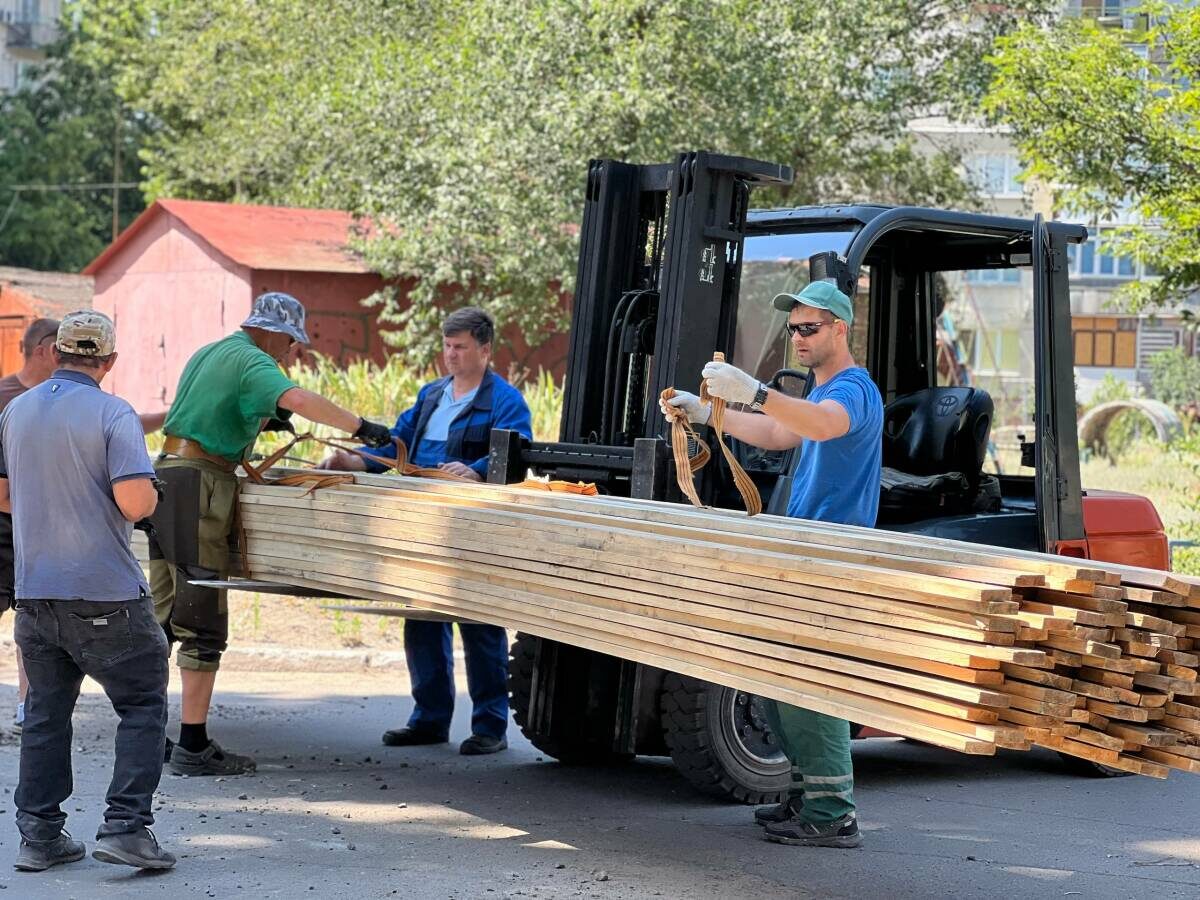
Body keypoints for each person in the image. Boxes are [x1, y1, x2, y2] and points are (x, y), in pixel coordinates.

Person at [662, 280, 882, 849]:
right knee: (780, 683)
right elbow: (783, 431)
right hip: (802, 550)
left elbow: (824, 424)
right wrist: (711, 414)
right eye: (793, 329)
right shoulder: (817, 388)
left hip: (833, 558)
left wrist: (756, 391)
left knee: (812, 686)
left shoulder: (853, 390)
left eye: (810, 328)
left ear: (840, 328)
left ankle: (834, 813)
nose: (799, 337)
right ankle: (808, 798)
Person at [150, 292, 393, 776]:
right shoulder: (255, 359)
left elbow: (215, 407)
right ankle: (193, 747)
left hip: (167, 479)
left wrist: (264, 421)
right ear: (275, 333)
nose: (290, 353)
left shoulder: (211, 351)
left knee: (161, 616)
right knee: (201, 617)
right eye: (290, 343)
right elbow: (297, 398)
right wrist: (361, 426)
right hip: (202, 485)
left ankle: (146, 735)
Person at [1, 311, 176, 871]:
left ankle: (40, 837)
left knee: (46, 712)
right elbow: (133, 503)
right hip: (106, 594)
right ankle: (126, 828)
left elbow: (5, 497)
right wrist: (151, 494)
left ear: (54, 353)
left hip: (35, 592)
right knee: (142, 703)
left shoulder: (16, 411)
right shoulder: (113, 412)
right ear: (108, 360)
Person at [317, 306, 532, 755]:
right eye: (447, 347)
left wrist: (474, 470)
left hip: (473, 528)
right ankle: (429, 718)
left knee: (479, 625)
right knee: (420, 621)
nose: (451, 356)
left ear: (485, 349)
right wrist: (352, 460)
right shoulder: (431, 395)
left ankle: (490, 727)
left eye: (461, 347)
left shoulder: (507, 402)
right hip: (420, 525)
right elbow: (395, 445)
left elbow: (516, 456)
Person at [0, 317, 58, 735]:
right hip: (7, 522)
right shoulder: (6, 399)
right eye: (62, 347)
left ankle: (27, 707)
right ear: (44, 349)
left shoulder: (62, 398)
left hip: (39, 527)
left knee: (33, 621)